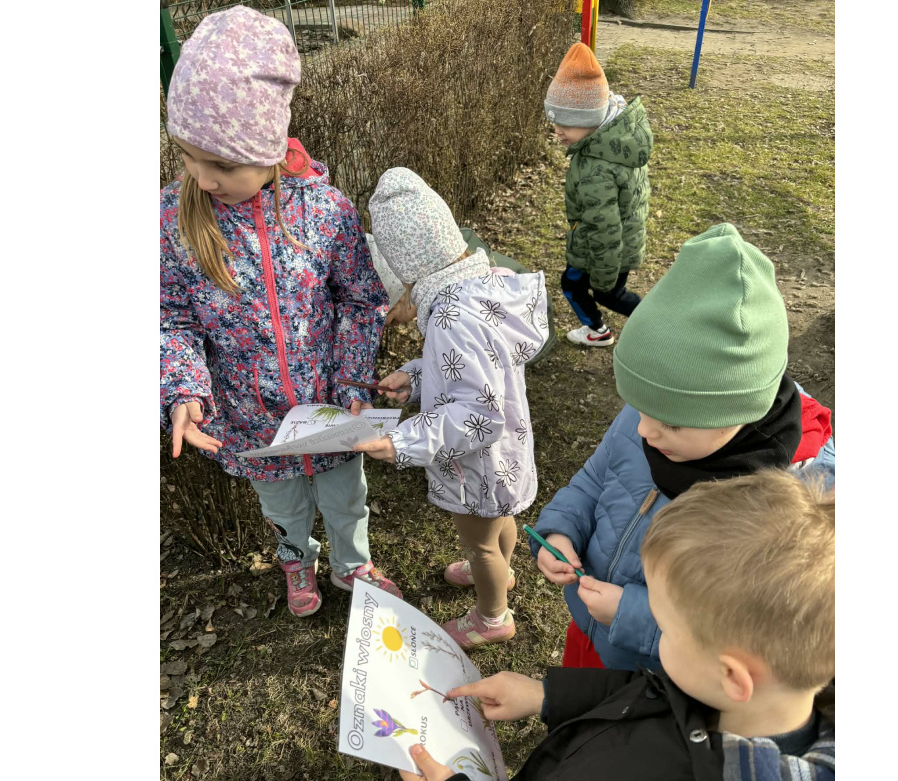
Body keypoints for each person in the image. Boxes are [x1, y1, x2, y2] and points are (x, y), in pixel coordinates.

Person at [397, 470, 835, 781]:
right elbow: (651, 695)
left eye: (665, 628)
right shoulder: (737, 699)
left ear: (733, 676)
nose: (658, 635)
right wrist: (547, 696)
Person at [160, 6, 401, 618]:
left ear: (268, 147)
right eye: (188, 156)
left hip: (331, 412)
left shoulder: (324, 211)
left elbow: (360, 301)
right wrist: (183, 390)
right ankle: (297, 560)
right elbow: (171, 318)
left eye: (222, 164)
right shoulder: (173, 222)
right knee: (283, 509)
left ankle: (352, 563)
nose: (201, 178)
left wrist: (352, 382)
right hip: (253, 424)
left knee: (347, 500)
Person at [531, 224, 835, 671]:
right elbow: (597, 477)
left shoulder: (801, 502)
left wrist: (632, 616)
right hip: (593, 634)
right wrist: (562, 530)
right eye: (638, 407)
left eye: (670, 423)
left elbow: (751, 637)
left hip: (665, 680)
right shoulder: (657, 405)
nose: (644, 430)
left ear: (737, 410)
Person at [354, 168, 549, 648]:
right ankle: (501, 572)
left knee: (479, 543)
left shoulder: (448, 317)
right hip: (508, 454)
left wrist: (402, 442)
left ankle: (492, 617)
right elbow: (475, 368)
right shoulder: (482, 289)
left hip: (476, 463)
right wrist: (417, 377)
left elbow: (475, 415)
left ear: (408, 270)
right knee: (500, 520)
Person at [544, 42, 653, 348]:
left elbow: (605, 228)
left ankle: (636, 325)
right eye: (555, 123)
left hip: (603, 253)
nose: (557, 132)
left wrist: (602, 277)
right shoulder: (616, 140)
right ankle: (648, 320)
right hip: (618, 245)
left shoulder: (597, 170)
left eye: (565, 124)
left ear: (589, 120)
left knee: (597, 291)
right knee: (604, 292)